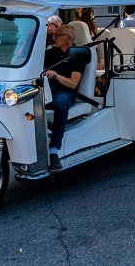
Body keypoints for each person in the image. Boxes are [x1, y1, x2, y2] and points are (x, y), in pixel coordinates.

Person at [43, 24, 87, 172]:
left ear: (67, 38)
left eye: (57, 35)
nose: (53, 38)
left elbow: (73, 83)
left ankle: (54, 149)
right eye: (53, 35)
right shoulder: (50, 53)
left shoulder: (77, 55)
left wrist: (56, 75)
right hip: (47, 90)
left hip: (64, 91)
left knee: (61, 104)